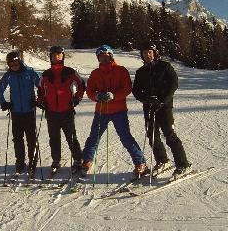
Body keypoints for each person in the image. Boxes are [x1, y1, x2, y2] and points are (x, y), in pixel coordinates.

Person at [81, 44, 147, 179]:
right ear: (98, 58)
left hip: (119, 110)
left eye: (106, 57)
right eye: (101, 57)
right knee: (94, 137)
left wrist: (114, 95)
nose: (104, 59)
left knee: (126, 138)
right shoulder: (95, 73)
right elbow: (90, 91)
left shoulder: (121, 70)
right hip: (101, 111)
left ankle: (140, 162)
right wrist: (96, 96)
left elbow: (127, 88)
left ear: (111, 56)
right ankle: (87, 160)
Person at [132, 42, 192, 177]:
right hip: (149, 107)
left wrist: (162, 99)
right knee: (152, 135)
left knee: (169, 135)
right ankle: (162, 160)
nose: (147, 55)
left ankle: (183, 164)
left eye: (150, 52)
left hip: (164, 107)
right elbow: (136, 91)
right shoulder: (141, 72)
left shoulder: (165, 66)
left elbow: (173, 83)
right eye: (145, 53)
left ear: (154, 53)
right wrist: (146, 99)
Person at [37, 45, 85, 176]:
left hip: (67, 110)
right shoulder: (46, 74)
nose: (57, 57)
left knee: (71, 136)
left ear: (63, 56)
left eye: (59, 55)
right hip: (51, 111)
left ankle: (77, 160)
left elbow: (81, 84)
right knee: (54, 137)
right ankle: (56, 160)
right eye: (54, 55)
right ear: (51, 57)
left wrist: (77, 98)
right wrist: (41, 100)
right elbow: (40, 89)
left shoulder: (70, 71)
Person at [0, 50, 41, 178]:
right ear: (9, 65)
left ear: (20, 61)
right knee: (17, 139)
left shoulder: (30, 72)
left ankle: (32, 161)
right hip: (16, 112)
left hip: (29, 110)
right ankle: (20, 162)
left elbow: (42, 86)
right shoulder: (8, 75)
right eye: (11, 64)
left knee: (31, 138)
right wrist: (4, 103)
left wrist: (38, 100)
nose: (14, 66)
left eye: (16, 63)